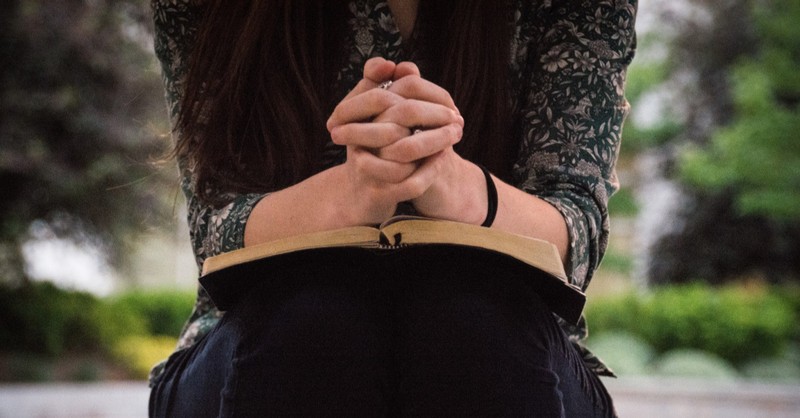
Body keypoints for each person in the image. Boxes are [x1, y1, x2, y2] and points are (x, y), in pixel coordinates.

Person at [148, 0, 637, 416]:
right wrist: (349, 192)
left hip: (507, 345)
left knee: (472, 326)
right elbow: (213, 228)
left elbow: (576, 234)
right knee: (313, 326)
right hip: (261, 339)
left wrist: (451, 182)